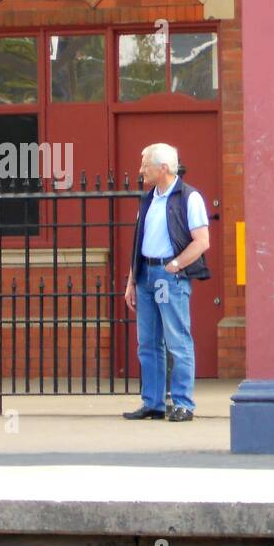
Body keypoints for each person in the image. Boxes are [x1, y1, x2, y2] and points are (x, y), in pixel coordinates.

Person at [122, 143, 210, 423]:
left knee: (176, 340)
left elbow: (202, 242)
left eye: (145, 164)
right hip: (146, 274)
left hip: (168, 276)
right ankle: (153, 403)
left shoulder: (189, 197)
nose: (140, 170)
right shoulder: (148, 199)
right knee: (147, 342)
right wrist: (131, 281)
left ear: (163, 168)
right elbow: (139, 241)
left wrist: (176, 265)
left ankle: (183, 403)